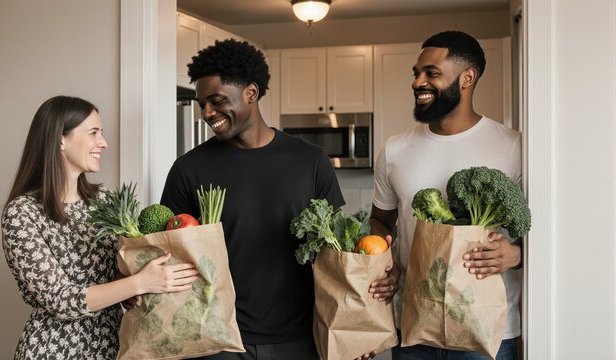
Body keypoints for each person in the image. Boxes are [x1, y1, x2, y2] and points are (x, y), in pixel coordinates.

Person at [160, 39, 397, 360]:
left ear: (251, 92)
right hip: (218, 338)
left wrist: (354, 329)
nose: (207, 113)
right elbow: (167, 255)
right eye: (202, 104)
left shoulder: (310, 161)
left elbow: (338, 255)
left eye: (215, 101)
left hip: (301, 338)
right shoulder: (189, 169)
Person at [1, 95, 198, 359]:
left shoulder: (103, 201)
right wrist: (139, 282)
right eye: (94, 133)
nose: (103, 143)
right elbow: (62, 300)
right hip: (54, 349)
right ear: (60, 138)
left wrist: (129, 291)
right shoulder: (22, 213)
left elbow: (112, 277)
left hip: (112, 345)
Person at [370, 31, 522, 360]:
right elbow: (379, 221)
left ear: (468, 78)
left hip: (487, 333)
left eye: (431, 73)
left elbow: (545, 230)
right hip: (414, 331)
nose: (417, 82)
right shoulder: (395, 149)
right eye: (416, 73)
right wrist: (384, 262)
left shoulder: (513, 147)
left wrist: (517, 254)